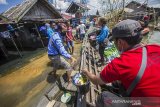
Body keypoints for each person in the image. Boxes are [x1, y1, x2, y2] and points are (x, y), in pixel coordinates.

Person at [82, 19, 160, 106]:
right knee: (117, 82)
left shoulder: (120, 63)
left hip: (140, 103)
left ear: (120, 42)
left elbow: (96, 81)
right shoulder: (156, 48)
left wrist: (86, 72)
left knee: (103, 96)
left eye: (115, 41)